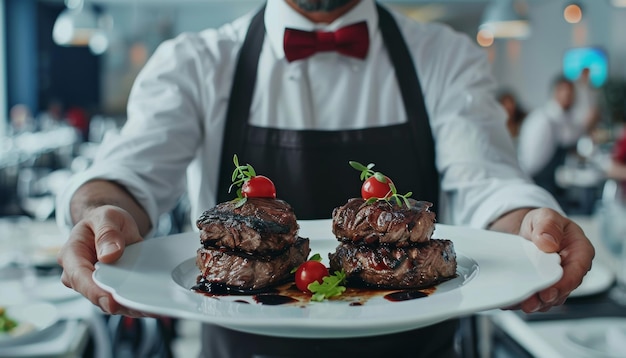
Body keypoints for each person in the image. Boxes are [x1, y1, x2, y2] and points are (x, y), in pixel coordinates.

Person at [56, 1, 594, 357]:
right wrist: (101, 214)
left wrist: (531, 223)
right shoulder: (196, 62)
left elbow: (488, 183)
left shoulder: (445, 56)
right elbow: (124, 176)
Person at [517, 76, 598, 205]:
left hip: (546, 182)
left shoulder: (560, 117)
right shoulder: (546, 120)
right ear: (555, 92)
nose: (568, 96)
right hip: (538, 184)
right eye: (564, 91)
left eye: (571, 92)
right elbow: (531, 164)